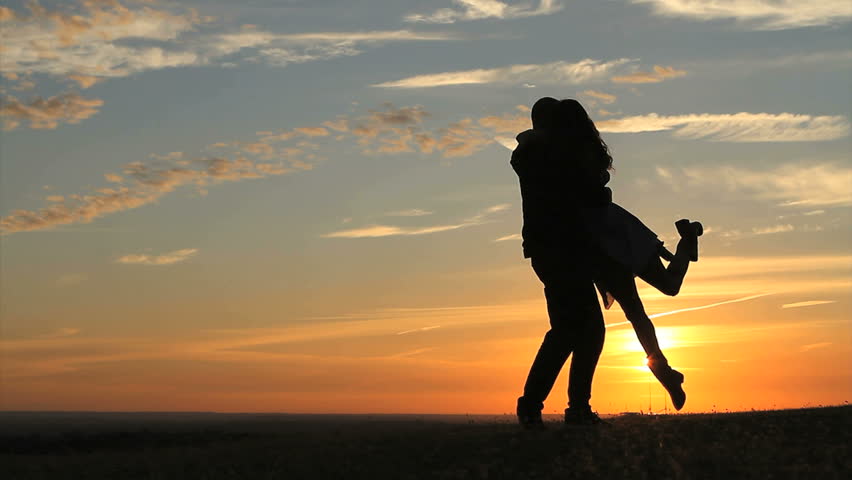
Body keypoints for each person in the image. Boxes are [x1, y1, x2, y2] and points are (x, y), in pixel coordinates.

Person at [557, 98, 703, 411]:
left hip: (609, 235)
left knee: (665, 289)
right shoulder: (582, 151)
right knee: (642, 305)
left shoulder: (572, 154)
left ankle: (687, 240)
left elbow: (587, 195)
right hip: (609, 236)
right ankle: (662, 369)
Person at [512, 97, 612, 428]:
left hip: (552, 249)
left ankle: (547, 405)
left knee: (571, 330)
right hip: (561, 249)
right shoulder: (546, 157)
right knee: (581, 330)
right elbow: (580, 196)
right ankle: (565, 407)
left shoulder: (535, 155)